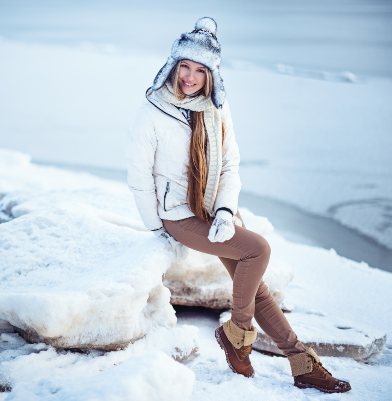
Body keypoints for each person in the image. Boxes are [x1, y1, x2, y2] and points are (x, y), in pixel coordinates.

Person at [125, 16, 351, 393]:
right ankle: (239, 332)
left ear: (211, 73)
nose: (190, 77)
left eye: (200, 69)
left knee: (255, 287)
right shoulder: (153, 110)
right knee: (258, 250)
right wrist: (156, 227)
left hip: (216, 209)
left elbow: (230, 163)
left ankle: (301, 363)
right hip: (178, 215)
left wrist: (226, 212)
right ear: (173, 65)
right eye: (184, 66)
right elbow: (138, 175)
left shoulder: (217, 108)